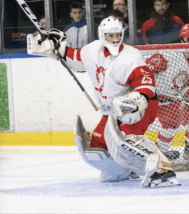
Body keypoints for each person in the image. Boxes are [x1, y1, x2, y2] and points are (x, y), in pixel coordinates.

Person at [28, 17, 178, 187]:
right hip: (113, 110)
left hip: (140, 105)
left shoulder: (131, 56)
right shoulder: (91, 50)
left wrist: (138, 98)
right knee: (98, 145)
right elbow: (74, 58)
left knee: (128, 137)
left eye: (118, 35)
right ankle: (127, 170)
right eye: (110, 36)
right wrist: (56, 47)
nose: (115, 39)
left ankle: (162, 171)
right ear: (102, 35)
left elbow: (145, 80)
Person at [147, 24, 189, 161]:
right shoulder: (169, 55)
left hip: (172, 97)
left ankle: (164, 152)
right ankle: (158, 153)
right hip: (154, 95)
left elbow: (185, 84)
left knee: (173, 124)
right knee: (171, 123)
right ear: (183, 40)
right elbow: (144, 69)